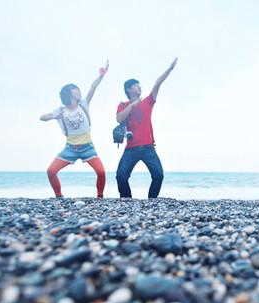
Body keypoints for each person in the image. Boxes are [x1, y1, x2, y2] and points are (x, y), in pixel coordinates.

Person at [40, 60, 109, 198]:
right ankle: (59, 196)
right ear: (69, 93)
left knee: (101, 172)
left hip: (88, 147)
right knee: (51, 171)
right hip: (70, 148)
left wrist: (102, 75)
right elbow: (43, 117)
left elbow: (93, 87)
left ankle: (100, 196)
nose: (78, 91)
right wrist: (53, 116)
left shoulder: (84, 104)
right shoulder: (61, 110)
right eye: (75, 89)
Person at [115, 57, 178, 198]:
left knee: (158, 175)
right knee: (121, 176)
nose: (140, 87)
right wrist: (133, 104)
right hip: (130, 149)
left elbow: (158, 83)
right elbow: (119, 118)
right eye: (137, 85)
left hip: (148, 148)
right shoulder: (123, 105)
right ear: (129, 89)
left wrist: (170, 68)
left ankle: (152, 201)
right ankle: (126, 199)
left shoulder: (148, 102)